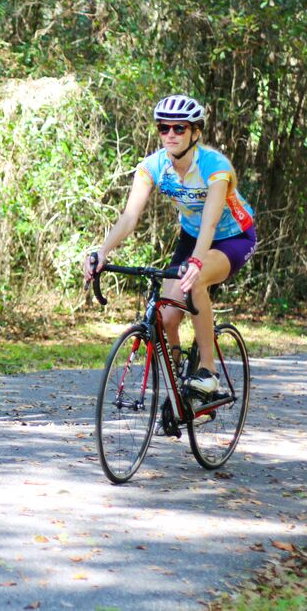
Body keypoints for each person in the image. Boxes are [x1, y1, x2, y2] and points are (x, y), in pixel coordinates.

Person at [83, 94, 257, 394]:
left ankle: (208, 372)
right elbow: (128, 218)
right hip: (192, 236)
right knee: (166, 317)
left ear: (195, 132)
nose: (171, 135)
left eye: (179, 128)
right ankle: (181, 389)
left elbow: (211, 222)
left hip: (233, 236)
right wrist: (101, 252)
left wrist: (197, 262)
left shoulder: (215, 166)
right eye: (164, 128)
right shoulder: (154, 166)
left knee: (196, 280)